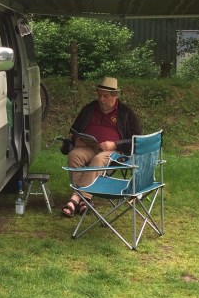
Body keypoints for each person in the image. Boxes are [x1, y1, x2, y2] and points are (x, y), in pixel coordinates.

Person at [60, 76, 142, 217]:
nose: (101, 99)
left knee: (98, 159)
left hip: (114, 152)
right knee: (74, 155)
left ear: (115, 96)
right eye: (99, 95)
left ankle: (77, 198)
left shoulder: (126, 113)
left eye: (105, 96)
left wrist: (115, 144)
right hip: (90, 147)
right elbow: (74, 130)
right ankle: (84, 201)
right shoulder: (89, 108)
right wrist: (77, 139)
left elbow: (136, 140)